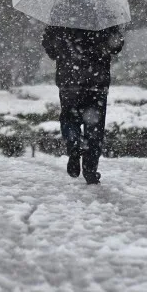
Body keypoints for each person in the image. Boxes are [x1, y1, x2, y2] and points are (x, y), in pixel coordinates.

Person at [42, 25, 124, 184]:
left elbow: (50, 49)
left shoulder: (60, 17)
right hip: (97, 82)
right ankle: (90, 171)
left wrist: (64, 49)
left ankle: (74, 144)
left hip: (69, 81)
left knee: (69, 118)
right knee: (95, 127)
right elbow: (116, 47)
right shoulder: (104, 17)